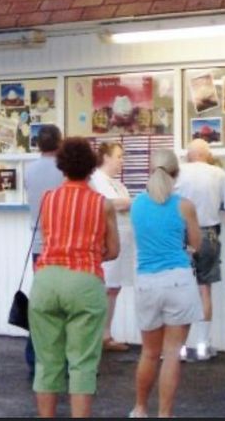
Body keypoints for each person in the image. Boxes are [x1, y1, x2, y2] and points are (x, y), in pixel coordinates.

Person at [29, 137, 119, 418]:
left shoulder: (48, 199)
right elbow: (113, 250)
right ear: (92, 167)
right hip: (84, 280)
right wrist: (91, 252)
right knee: (82, 363)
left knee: (47, 362)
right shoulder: (102, 204)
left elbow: (48, 238)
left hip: (46, 279)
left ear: (61, 165)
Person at [129, 149, 203, 418]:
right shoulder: (184, 206)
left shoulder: (136, 204)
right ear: (176, 173)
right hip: (178, 281)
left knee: (149, 352)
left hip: (146, 281)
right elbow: (196, 244)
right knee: (171, 354)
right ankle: (165, 414)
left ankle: (139, 408)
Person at [174, 138, 225, 360]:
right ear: (208, 155)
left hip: (179, 234)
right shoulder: (219, 174)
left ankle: (178, 347)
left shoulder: (178, 172)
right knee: (204, 288)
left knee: (178, 289)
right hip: (208, 233)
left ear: (189, 154)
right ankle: (203, 344)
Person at [23, 125, 64, 375]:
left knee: (41, 304)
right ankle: (63, 360)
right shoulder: (65, 169)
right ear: (60, 142)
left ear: (38, 144)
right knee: (65, 305)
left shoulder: (30, 170)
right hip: (63, 244)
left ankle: (35, 357)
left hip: (39, 245)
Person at [89, 142, 134, 352]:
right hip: (108, 240)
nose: (122, 161)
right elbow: (111, 203)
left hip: (123, 239)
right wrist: (128, 202)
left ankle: (106, 334)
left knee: (115, 288)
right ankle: (97, 336)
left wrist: (126, 202)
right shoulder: (96, 179)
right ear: (106, 157)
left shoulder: (117, 183)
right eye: (119, 156)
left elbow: (122, 203)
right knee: (106, 287)